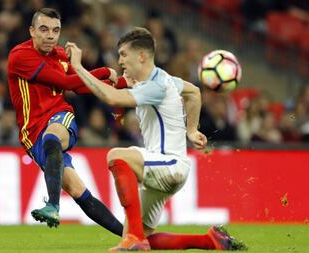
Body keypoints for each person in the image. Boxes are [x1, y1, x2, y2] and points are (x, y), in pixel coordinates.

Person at [66, 27, 247, 251]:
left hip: (169, 165)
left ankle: (134, 236)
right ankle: (209, 241)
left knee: (116, 156)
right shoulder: (164, 79)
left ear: (141, 56)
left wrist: (77, 67)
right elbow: (193, 93)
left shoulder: (156, 86)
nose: (120, 60)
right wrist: (191, 130)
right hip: (163, 168)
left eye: (123, 54)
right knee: (140, 241)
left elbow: (112, 97)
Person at [7, 8, 124, 236]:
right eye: (44, 29)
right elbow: (68, 82)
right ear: (31, 31)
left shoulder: (59, 55)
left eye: (55, 30)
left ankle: (52, 205)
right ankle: (132, 236)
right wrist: (104, 71)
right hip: (31, 135)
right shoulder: (20, 56)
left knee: (52, 138)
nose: (50, 35)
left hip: (60, 117)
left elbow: (79, 86)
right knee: (80, 192)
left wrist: (121, 84)